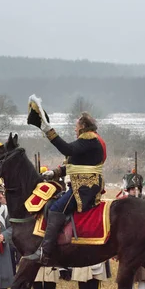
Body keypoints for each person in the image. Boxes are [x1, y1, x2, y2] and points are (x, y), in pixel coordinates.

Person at [24, 95, 106, 264]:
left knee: (56, 208)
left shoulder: (89, 138)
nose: (75, 130)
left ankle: (45, 252)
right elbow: (76, 163)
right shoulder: (89, 142)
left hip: (84, 187)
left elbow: (67, 149)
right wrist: (54, 173)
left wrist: (49, 131)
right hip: (83, 184)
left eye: (76, 127)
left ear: (83, 126)